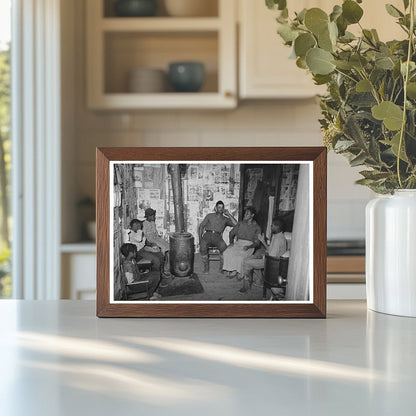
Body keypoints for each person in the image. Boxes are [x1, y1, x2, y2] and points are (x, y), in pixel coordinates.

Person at [239, 218, 287, 293]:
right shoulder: (277, 235)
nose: (271, 226)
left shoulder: (278, 239)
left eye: (272, 225)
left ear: (277, 227)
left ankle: (246, 286)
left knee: (246, 262)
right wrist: (262, 241)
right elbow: (270, 249)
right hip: (271, 258)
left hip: (272, 264)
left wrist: (263, 255)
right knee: (255, 254)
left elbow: (271, 256)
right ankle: (259, 280)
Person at [198, 200, 237, 274]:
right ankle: (206, 268)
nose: (220, 209)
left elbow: (236, 224)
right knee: (202, 247)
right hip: (207, 235)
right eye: (219, 207)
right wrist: (200, 239)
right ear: (215, 208)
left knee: (224, 250)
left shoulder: (225, 219)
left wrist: (228, 214)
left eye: (222, 207)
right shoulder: (209, 216)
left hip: (217, 237)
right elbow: (201, 226)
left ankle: (221, 268)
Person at [222, 206, 261, 279]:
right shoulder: (240, 224)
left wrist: (249, 247)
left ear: (252, 215)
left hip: (249, 245)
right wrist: (231, 243)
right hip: (238, 243)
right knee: (227, 253)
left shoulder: (257, 227)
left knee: (240, 257)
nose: (245, 215)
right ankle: (233, 270)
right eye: (245, 213)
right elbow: (231, 233)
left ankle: (239, 272)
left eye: (247, 214)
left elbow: (257, 243)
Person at [142, 208, 170, 275]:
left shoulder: (153, 223)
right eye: (152, 216)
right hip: (150, 240)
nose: (154, 217)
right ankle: (163, 268)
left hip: (156, 238)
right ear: (148, 216)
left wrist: (160, 239)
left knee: (168, 246)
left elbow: (155, 233)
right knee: (163, 248)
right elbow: (145, 235)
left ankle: (167, 266)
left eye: (154, 215)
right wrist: (151, 243)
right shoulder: (144, 224)